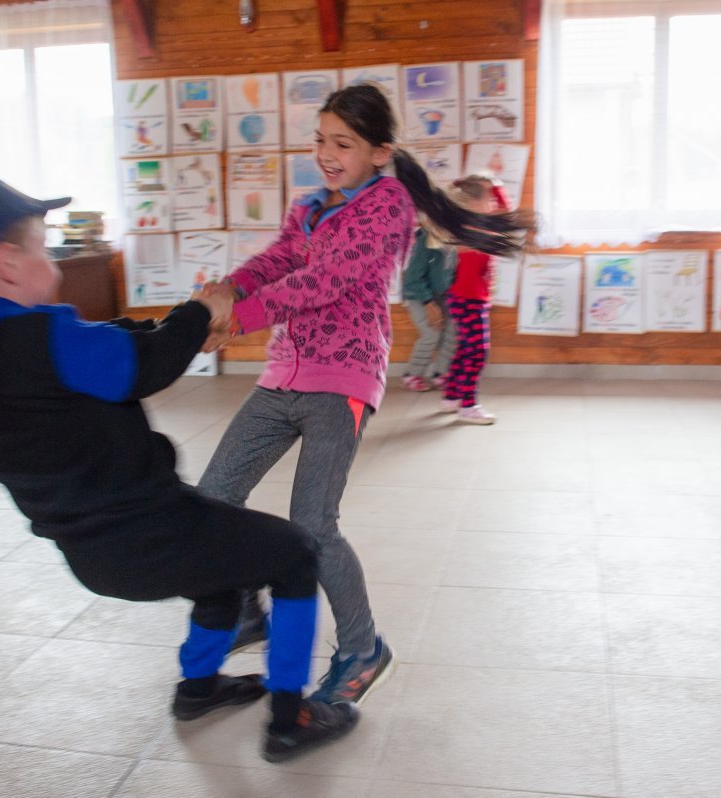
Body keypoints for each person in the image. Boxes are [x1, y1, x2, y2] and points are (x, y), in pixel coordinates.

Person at [0, 173, 356, 764]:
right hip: (151, 529)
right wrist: (200, 311)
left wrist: (179, 328)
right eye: (44, 247)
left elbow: (101, 345)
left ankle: (199, 690)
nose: (52, 262)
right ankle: (289, 719)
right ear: (9, 264)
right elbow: (143, 365)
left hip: (92, 549)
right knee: (294, 554)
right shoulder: (39, 337)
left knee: (222, 571)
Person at [196, 84, 529, 706]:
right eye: (320, 139)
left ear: (379, 152)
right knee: (214, 495)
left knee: (312, 523)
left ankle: (362, 649)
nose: (326, 153)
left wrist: (237, 317)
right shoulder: (311, 205)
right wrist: (228, 289)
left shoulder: (387, 207)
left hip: (342, 378)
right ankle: (243, 610)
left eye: (343, 144)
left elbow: (324, 280)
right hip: (284, 374)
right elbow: (279, 260)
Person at [439, 174, 511, 425]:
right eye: (489, 199)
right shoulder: (470, 230)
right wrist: (495, 185)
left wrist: (489, 185)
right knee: (478, 352)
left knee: (466, 349)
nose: (493, 203)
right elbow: (506, 216)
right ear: (472, 204)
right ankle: (468, 405)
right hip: (467, 300)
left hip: (468, 298)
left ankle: (451, 397)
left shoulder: (473, 226)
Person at [399, 220, 457, 392]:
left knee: (452, 333)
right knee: (432, 334)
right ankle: (412, 374)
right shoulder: (425, 240)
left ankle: (440, 373)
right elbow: (413, 279)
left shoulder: (457, 239)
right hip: (418, 294)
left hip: (443, 295)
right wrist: (428, 304)